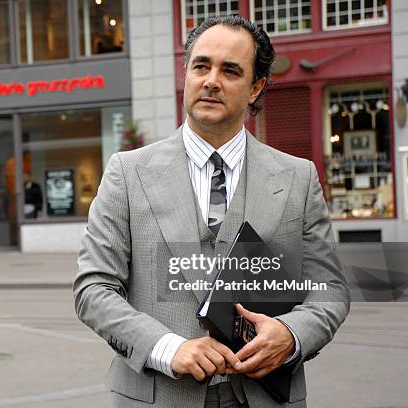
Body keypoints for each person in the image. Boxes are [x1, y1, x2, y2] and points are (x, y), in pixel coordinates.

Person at [74, 15, 350, 408]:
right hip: (157, 395)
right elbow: (93, 290)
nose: (211, 80)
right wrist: (167, 348)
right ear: (185, 73)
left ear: (255, 88)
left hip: (264, 397)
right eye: (201, 66)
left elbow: (330, 292)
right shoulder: (127, 172)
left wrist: (290, 335)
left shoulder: (298, 178)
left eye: (230, 70)